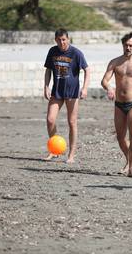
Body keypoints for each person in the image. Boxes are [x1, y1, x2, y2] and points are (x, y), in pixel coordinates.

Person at [101, 32, 132, 178]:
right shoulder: (115, 62)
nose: (128, 47)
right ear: (122, 45)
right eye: (126, 45)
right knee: (120, 137)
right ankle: (129, 160)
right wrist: (109, 88)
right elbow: (104, 80)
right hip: (119, 104)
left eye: (131, 45)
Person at [44, 28, 90, 163]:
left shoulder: (76, 53)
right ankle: (54, 150)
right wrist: (46, 86)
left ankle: (71, 155)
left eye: (63, 39)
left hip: (72, 93)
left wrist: (85, 88)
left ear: (68, 39)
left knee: (72, 122)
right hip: (56, 92)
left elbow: (87, 70)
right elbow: (48, 70)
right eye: (58, 40)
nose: (61, 42)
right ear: (55, 40)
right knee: (50, 120)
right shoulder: (52, 51)